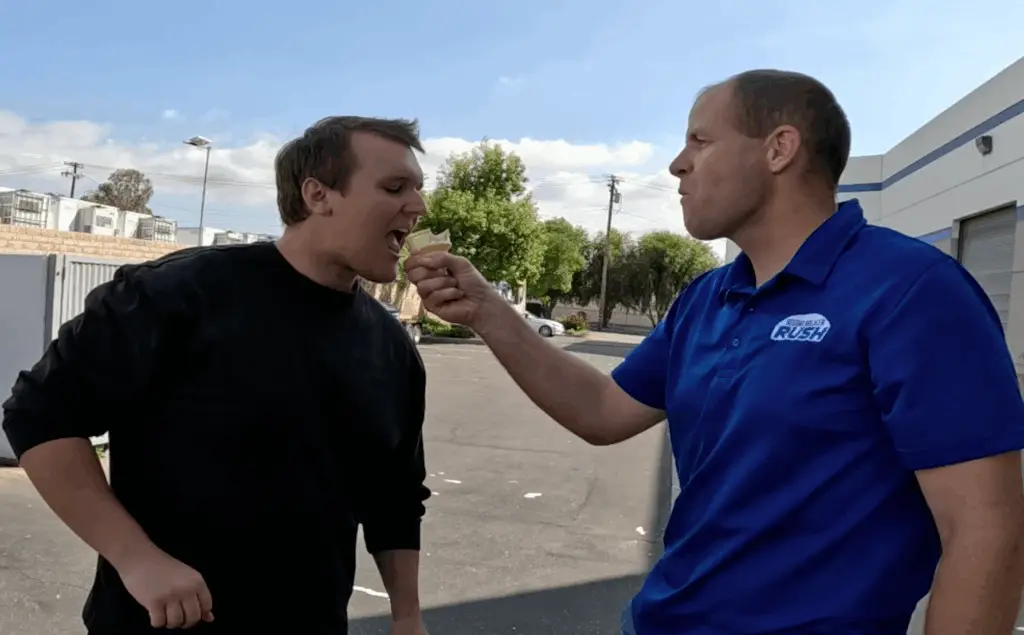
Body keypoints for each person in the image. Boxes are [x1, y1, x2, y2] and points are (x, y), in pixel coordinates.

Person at [405, 70, 1024, 635]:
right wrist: (487, 310)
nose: (678, 164)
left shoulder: (911, 291)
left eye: (699, 141)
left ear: (779, 149)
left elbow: (986, 530)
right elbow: (602, 410)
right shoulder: (706, 297)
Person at [2, 116, 432, 635]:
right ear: (318, 195)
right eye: (395, 187)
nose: (419, 206)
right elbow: (39, 416)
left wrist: (407, 617)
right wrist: (136, 557)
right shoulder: (176, 295)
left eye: (418, 189)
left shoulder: (391, 346)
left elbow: (395, 496)